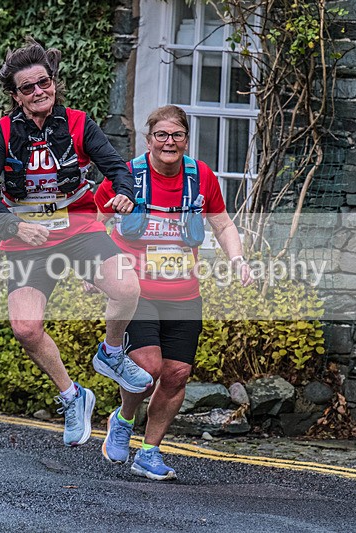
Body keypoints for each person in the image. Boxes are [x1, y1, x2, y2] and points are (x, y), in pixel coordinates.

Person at [0, 38, 153, 448]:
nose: (39, 92)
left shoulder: (77, 123)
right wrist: (14, 227)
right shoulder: (1, 134)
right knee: (25, 327)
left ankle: (111, 353)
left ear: (54, 82)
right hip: (28, 240)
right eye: (28, 88)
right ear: (15, 96)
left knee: (126, 287)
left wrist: (124, 191)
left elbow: (117, 168)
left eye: (44, 82)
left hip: (79, 230)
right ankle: (73, 397)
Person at [94, 105, 251, 480]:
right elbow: (94, 221)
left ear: (186, 139)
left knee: (177, 374)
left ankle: (149, 453)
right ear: (149, 140)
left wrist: (238, 259)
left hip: (184, 294)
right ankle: (123, 419)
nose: (169, 142)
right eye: (161, 135)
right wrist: (96, 266)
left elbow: (223, 223)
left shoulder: (201, 177)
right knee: (147, 369)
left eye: (177, 135)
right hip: (137, 291)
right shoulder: (126, 175)